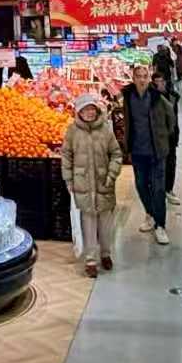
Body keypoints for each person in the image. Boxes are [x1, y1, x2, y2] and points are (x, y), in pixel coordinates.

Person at [60, 92, 122, 276]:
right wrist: (68, 178)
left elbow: (116, 154)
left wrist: (112, 174)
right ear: (79, 112)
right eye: (85, 109)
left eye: (92, 109)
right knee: (88, 223)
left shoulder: (106, 130)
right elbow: (66, 155)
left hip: (104, 183)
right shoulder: (72, 131)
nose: (89, 112)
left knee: (105, 224)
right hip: (83, 184)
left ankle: (106, 253)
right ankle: (90, 260)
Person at [119, 63, 177, 244]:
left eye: (145, 76)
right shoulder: (128, 96)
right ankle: (150, 214)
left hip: (156, 151)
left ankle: (160, 225)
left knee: (158, 189)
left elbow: (171, 117)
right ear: (134, 78)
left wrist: (163, 136)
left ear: (148, 78)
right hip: (137, 150)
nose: (142, 80)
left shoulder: (156, 97)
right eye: (139, 76)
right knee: (141, 185)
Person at [151, 70, 182, 206]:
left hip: (171, 136)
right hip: (157, 137)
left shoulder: (172, 96)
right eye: (157, 82)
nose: (161, 84)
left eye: (162, 81)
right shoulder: (150, 98)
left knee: (171, 163)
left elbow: (175, 118)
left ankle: (168, 189)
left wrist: (175, 134)